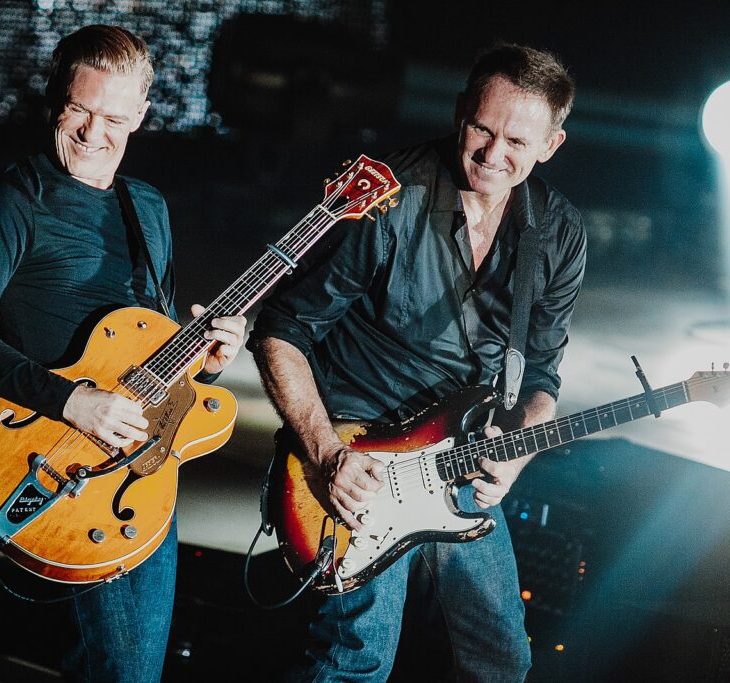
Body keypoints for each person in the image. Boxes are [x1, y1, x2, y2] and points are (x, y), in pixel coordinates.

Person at [249, 43, 586, 682]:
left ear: (552, 145)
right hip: (358, 453)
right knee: (356, 659)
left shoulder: (558, 232)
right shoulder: (388, 197)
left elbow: (540, 376)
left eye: (517, 141)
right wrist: (325, 453)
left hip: (455, 460)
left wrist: (518, 449)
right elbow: (280, 330)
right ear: (460, 112)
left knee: (501, 659)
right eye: (481, 129)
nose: (492, 154)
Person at [0, 25, 246, 683]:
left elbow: (154, 347)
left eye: (112, 116)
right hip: (54, 459)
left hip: (141, 477)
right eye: (79, 109)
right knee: (125, 671)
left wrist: (209, 355)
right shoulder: (15, 198)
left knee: (127, 671)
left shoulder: (149, 208)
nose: (91, 131)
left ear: (139, 116)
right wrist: (72, 400)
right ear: (55, 100)